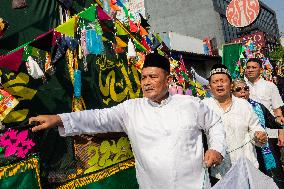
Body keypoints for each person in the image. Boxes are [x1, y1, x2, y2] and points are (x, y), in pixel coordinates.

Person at [29, 53, 226, 189]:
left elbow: (215, 123)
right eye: (143, 78)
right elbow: (97, 117)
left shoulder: (190, 104)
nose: (147, 82)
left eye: (153, 77)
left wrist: (216, 148)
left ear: (167, 80)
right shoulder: (131, 109)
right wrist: (59, 119)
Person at [202, 64, 267, 183]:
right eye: (215, 82)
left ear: (231, 85)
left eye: (223, 81)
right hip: (219, 173)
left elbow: (256, 127)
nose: (219, 85)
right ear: (210, 86)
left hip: (247, 169)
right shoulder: (204, 106)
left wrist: (260, 135)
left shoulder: (244, 105)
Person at [232, 78, 284, 188]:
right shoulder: (230, 109)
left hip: (263, 147)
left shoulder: (258, 106)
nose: (243, 91)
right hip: (243, 150)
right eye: (238, 89)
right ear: (232, 92)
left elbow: (272, 121)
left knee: (271, 177)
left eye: (246, 88)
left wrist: (278, 122)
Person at [245, 58, 284, 147]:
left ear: (261, 70)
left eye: (254, 67)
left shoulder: (270, 86)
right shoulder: (242, 87)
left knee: (272, 158)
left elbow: (277, 111)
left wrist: (281, 133)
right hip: (250, 132)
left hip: (269, 131)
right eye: (248, 67)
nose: (250, 70)